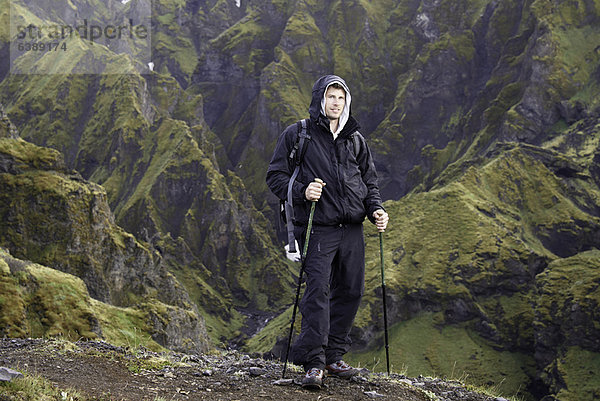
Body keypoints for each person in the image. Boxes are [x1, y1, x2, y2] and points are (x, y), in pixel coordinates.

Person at [266, 75, 389, 389]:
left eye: (341, 98)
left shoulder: (355, 138)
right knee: (317, 293)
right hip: (318, 228)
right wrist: (303, 191)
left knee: (351, 291)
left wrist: (376, 209)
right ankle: (315, 364)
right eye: (331, 97)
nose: (336, 103)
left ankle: (334, 357)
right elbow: (275, 176)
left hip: (352, 229)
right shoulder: (299, 134)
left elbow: (369, 181)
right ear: (320, 99)